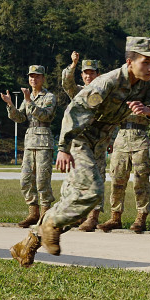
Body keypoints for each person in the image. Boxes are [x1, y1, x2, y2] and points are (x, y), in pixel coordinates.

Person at [10, 37, 150, 267]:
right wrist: (63, 148)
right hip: (81, 138)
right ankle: (49, 225)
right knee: (92, 191)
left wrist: (149, 110)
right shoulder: (108, 81)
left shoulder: (149, 83)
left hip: (101, 141)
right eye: (146, 62)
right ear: (130, 61)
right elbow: (74, 110)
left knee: (75, 201)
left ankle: (28, 244)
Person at [98, 42, 150, 234]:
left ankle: (141, 217)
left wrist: (148, 110)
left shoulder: (149, 83)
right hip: (120, 136)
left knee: (140, 179)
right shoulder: (116, 81)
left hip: (139, 135)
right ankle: (115, 217)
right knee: (117, 179)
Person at [1, 65, 57, 228]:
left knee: (42, 180)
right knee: (26, 180)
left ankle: (46, 215)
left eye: (37, 76)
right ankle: (33, 213)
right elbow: (20, 118)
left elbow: (45, 115)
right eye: (31, 76)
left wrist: (28, 101)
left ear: (43, 78)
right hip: (30, 141)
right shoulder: (29, 96)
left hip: (44, 142)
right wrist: (10, 104)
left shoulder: (49, 97)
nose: (34, 79)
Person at [61, 51, 106, 232]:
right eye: (85, 73)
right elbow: (67, 83)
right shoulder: (78, 92)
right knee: (76, 177)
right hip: (79, 142)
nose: (89, 76)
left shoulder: (104, 94)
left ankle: (93, 217)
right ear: (82, 75)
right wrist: (72, 65)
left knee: (98, 176)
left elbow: (111, 117)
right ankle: (77, 215)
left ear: (98, 75)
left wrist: (112, 137)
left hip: (98, 140)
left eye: (92, 73)